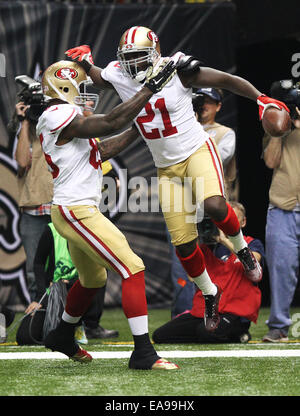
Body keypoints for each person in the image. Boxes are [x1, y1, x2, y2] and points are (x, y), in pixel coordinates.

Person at [65, 27, 286, 332]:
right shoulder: (119, 73)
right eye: (127, 58)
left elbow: (226, 80)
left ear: (154, 54)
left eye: (138, 58)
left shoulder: (177, 69)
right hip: (166, 167)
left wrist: (261, 98)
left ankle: (243, 251)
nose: (132, 65)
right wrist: (87, 64)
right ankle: (210, 292)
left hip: (195, 149)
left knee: (215, 205)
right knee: (184, 245)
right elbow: (103, 78)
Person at [37, 58, 179, 370]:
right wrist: (150, 88)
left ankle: (61, 334)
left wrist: (139, 130)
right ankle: (143, 353)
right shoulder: (58, 113)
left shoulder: (64, 119)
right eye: (79, 87)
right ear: (64, 86)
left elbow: (101, 150)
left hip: (74, 208)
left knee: (93, 278)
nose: (84, 95)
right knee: (133, 267)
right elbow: (112, 121)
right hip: (76, 209)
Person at [169, 87, 238, 318]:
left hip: (210, 210)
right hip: (183, 206)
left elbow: (214, 158)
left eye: (209, 102)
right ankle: (184, 315)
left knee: (215, 262)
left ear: (218, 106)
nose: (203, 106)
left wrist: (193, 128)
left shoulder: (225, 133)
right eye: (200, 102)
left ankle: (217, 312)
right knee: (183, 261)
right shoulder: (177, 129)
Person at [152, 201, 264, 344]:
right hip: (206, 312)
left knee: (206, 333)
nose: (227, 225)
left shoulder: (252, 243)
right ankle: (219, 334)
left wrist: (225, 240)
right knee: (160, 336)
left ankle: (239, 333)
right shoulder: (206, 248)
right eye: (225, 222)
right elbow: (191, 277)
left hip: (234, 312)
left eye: (232, 221)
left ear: (243, 222)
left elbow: (253, 264)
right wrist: (195, 241)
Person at [16, 222, 118, 346]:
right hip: (53, 293)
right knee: (25, 337)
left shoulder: (90, 229)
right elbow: (39, 263)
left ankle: (82, 324)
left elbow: (97, 270)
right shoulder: (51, 229)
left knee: (99, 277)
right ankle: (65, 326)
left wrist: (72, 283)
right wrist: (39, 298)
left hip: (79, 290)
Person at [262, 104, 300, 342]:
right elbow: (270, 161)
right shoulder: (277, 130)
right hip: (282, 209)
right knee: (281, 270)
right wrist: (281, 129)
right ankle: (278, 326)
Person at [9, 101, 53, 301]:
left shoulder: (60, 125)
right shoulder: (25, 133)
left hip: (59, 207)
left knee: (63, 266)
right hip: (32, 209)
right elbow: (22, 162)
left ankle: (67, 319)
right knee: (34, 269)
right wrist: (25, 121)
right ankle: (38, 315)